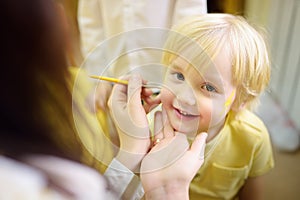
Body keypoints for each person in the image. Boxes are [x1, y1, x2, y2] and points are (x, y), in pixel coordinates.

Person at [0, 0, 207, 199]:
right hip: (117, 79)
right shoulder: (54, 183)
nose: (60, 12)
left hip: (165, 71)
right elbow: (91, 24)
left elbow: (190, 19)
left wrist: (179, 75)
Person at [145, 13, 274, 199]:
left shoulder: (253, 137)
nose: (184, 98)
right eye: (179, 76)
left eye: (208, 87)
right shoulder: (148, 127)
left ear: (241, 99)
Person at [77, 0, 207, 111]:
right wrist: (100, 76)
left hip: (168, 81)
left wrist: (181, 75)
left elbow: (191, 16)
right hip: (115, 82)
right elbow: (91, 22)